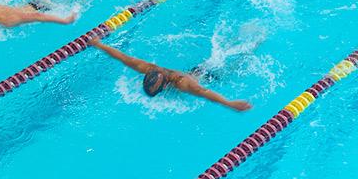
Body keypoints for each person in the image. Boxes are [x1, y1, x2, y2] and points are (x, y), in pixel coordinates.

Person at [88, 38, 253, 112]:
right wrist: (99, 45)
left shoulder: (182, 83)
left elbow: (203, 91)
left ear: (166, 85)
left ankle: (254, 45)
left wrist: (229, 103)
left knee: (241, 59)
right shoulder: (150, 68)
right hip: (197, 70)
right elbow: (124, 58)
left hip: (212, 76)